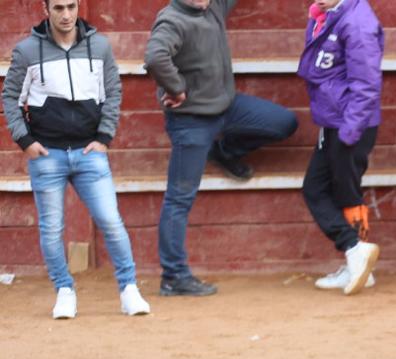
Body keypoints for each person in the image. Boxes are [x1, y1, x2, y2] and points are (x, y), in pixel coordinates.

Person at [4, 0, 150, 318]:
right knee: (52, 228)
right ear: (46, 9)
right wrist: (25, 140)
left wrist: (104, 137)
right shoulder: (28, 51)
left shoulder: (99, 46)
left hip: (89, 152)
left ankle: (129, 289)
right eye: (58, 8)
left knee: (111, 221)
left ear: (79, 6)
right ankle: (65, 291)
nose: (66, 14)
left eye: (71, 6)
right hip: (47, 155)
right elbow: (10, 97)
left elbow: (113, 91)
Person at [145, 0, 299, 297]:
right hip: (191, 121)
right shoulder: (172, 19)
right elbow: (154, 57)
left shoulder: (212, 7)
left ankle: (225, 152)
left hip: (227, 107)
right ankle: (174, 277)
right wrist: (175, 88)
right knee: (179, 198)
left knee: (283, 122)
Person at [299, 0, 383, 296]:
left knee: (333, 191)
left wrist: (350, 130)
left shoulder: (356, 22)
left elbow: (368, 83)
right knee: (329, 190)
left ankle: (355, 254)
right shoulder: (330, 14)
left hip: (349, 123)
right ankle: (357, 260)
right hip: (338, 120)